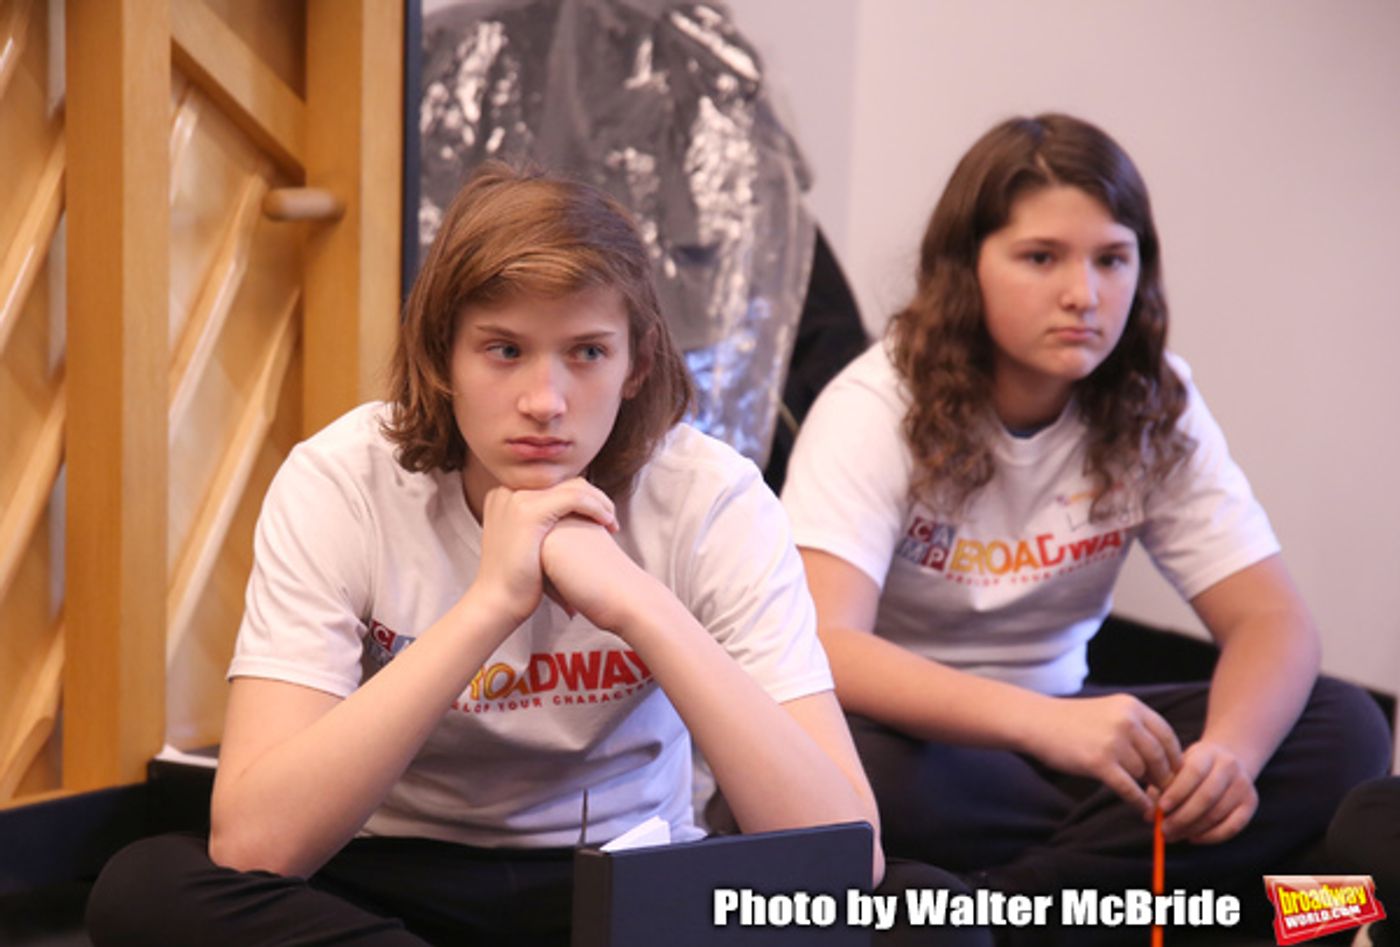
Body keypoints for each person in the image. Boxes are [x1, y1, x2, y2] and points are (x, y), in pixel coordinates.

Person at [85, 163, 925, 946]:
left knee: (935, 917)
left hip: (628, 875)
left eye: (587, 352)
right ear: (442, 357)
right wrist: (489, 603)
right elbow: (258, 841)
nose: (544, 402)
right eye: (505, 349)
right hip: (389, 876)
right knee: (146, 887)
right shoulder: (341, 482)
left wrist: (641, 606)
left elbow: (846, 861)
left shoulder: (712, 496)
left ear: (636, 364)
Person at [780, 114, 1392, 942]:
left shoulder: (1153, 400)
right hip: (925, 746)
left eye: (1112, 259)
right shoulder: (874, 406)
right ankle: (1153, 903)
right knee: (834, 766)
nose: (1084, 293)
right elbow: (824, 643)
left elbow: (1272, 620)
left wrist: (1230, 759)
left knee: (1343, 724)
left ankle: (1007, 907)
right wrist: (1042, 724)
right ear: (968, 268)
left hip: (1077, 743)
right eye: (1041, 258)